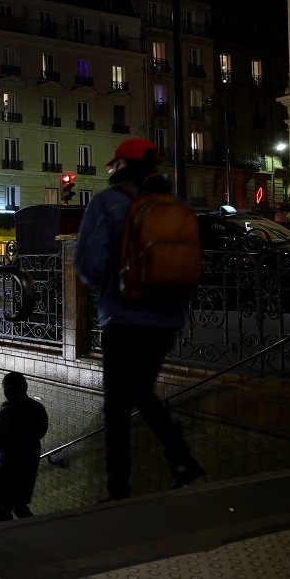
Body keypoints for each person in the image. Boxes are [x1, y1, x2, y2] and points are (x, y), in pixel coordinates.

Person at [72, 138, 207, 502]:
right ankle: (183, 463)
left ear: (122, 167)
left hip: (125, 315)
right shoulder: (176, 203)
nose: (111, 171)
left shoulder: (107, 203)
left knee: (117, 403)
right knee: (139, 390)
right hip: (169, 317)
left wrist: (110, 281)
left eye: (113, 165)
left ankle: (120, 491)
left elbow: (87, 264)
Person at [0, 372, 49, 522]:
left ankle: (6, 542)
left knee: (1, 511)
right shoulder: (37, 407)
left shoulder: (7, 411)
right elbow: (41, 431)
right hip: (27, 465)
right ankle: (32, 533)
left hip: (5, 468)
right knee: (19, 506)